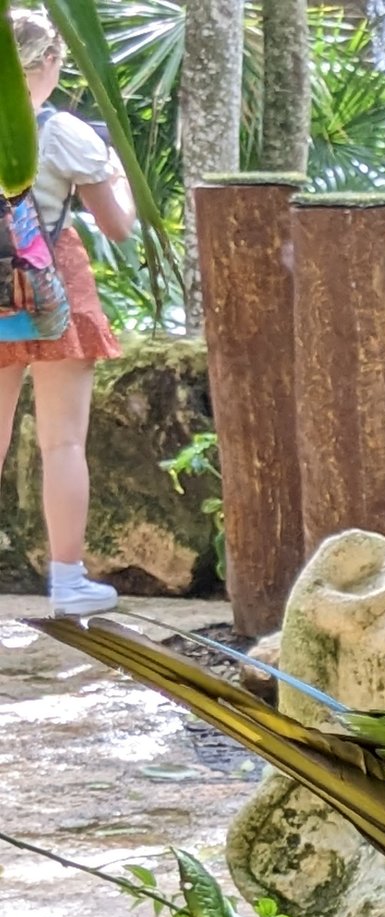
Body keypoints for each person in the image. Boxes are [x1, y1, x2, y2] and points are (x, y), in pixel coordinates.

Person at [0, 8, 131, 616]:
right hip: (53, 291)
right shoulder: (62, 132)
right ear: (49, 60)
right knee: (62, 443)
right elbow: (118, 226)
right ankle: (68, 582)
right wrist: (116, 174)